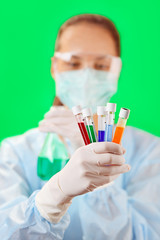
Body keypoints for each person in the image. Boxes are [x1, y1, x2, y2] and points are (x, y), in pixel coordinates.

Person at [0, 14, 160, 240]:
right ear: (55, 68)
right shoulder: (15, 152)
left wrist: (100, 167)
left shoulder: (150, 151)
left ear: (117, 70)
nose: (87, 75)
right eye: (73, 63)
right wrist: (53, 198)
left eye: (101, 65)